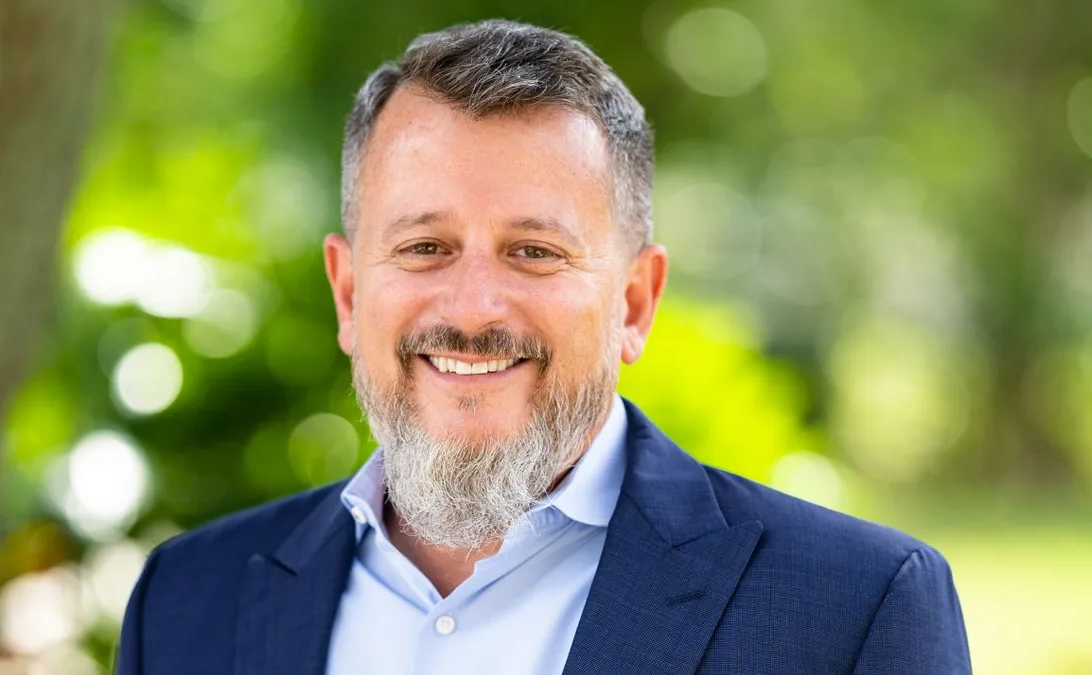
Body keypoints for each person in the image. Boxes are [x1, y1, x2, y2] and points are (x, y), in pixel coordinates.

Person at [114, 19, 971, 675]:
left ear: (635, 301)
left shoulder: (855, 610)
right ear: (347, 292)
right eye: (424, 247)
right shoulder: (187, 604)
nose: (475, 307)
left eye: (535, 251)